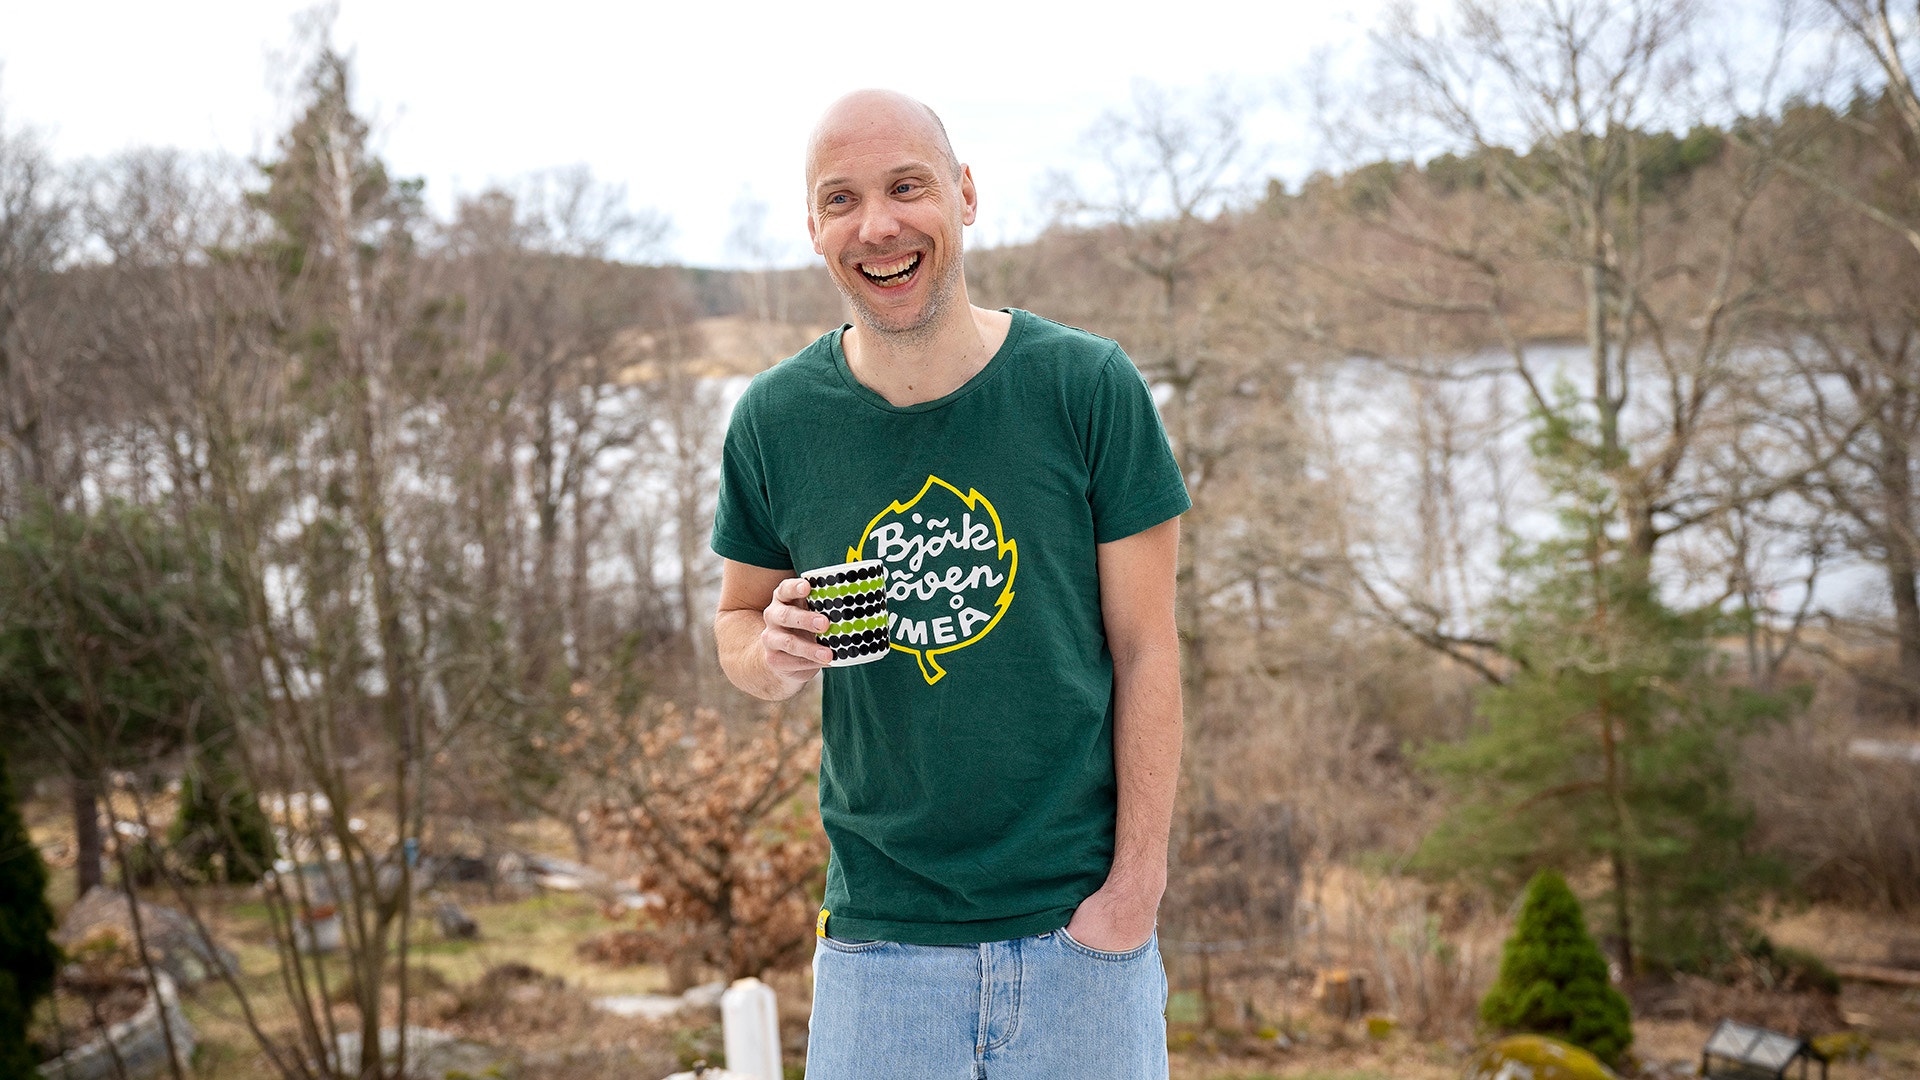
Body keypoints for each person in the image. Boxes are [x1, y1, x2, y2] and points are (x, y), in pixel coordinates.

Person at [710, 88, 1188, 1080]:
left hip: (1079, 939)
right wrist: (774, 653)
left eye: (906, 187)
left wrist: (1133, 895)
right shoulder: (776, 420)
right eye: (841, 200)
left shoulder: (1086, 388)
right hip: (878, 951)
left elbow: (1148, 649)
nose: (877, 226)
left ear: (964, 195)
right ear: (813, 228)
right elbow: (737, 625)